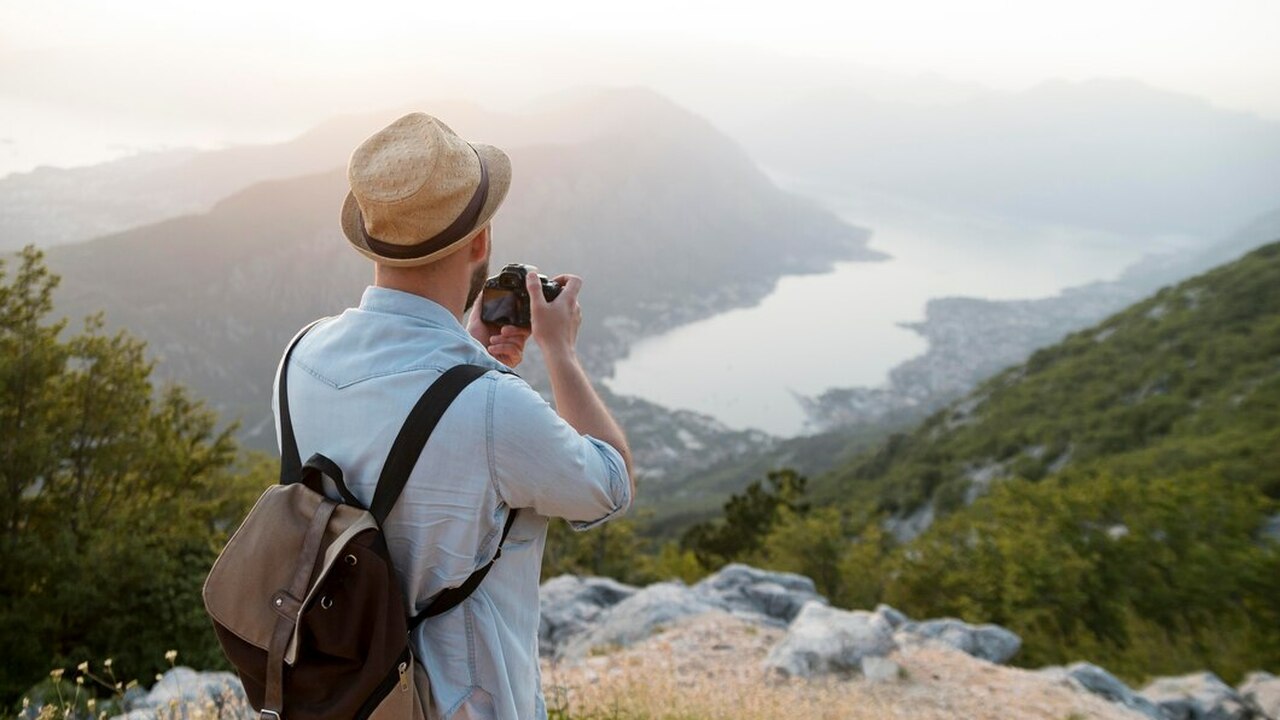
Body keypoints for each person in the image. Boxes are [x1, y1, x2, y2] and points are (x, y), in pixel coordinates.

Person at [273, 112, 634, 719]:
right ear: (480, 242)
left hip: (333, 693)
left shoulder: (300, 354)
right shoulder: (491, 404)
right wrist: (560, 353)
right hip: (463, 703)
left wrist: (466, 352)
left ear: (372, 239)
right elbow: (611, 485)